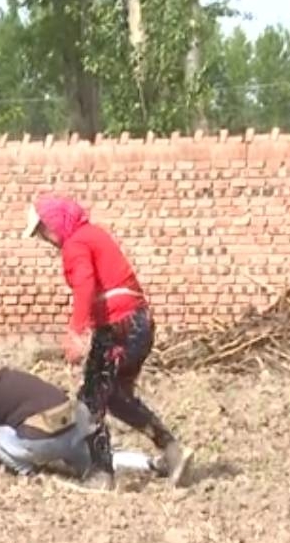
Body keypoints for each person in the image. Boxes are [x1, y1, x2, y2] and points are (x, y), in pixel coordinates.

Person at [23, 195, 192, 489]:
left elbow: (85, 284)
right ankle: (172, 450)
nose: (45, 238)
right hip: (139, 325)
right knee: (114, 397)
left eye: (43, 230)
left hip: (117, 328)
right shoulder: (94, 235)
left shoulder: (75, 244)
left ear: (55, 222)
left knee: (90, 400)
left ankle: (101, 473)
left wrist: (76, 332)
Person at [0, 356, 162, 484]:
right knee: (99, 460)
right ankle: (151, 463)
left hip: (46, 438)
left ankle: (29, 474)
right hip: (74, 424)